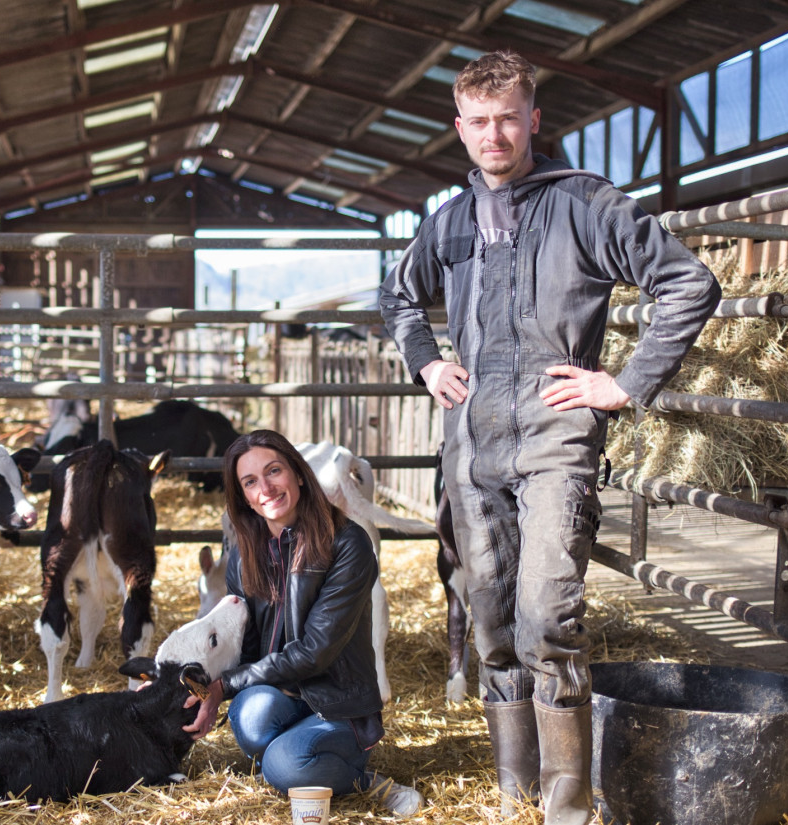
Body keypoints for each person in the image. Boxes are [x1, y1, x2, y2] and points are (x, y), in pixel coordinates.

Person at [379, 51, 720, 824]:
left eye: (508, 118)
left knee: (545, 614)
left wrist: (624, 382)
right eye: (479, 121)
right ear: (458, 128)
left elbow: (688, 282)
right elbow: (399, 298)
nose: (494, 134)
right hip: (472, 447)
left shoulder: (586, 204)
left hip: (555, 441)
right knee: (491, 620)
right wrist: (428, 363)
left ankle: (567, 805)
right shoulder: (451, 219)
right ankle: (512, 793)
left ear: (533, 119)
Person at [184, 429, 424, 817]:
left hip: (338, 701)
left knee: (283, 766)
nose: (266, 487)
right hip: (282, 693)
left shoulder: (349, 544)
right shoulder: (243, 559)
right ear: (242, 495)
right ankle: (303, 758)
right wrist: (201, 688)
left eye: (274, 471)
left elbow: (315, 651)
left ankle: (364, 781)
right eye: (250, 481)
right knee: (249, 718)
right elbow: (243, 648)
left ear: (298, 472)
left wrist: (223, 686)